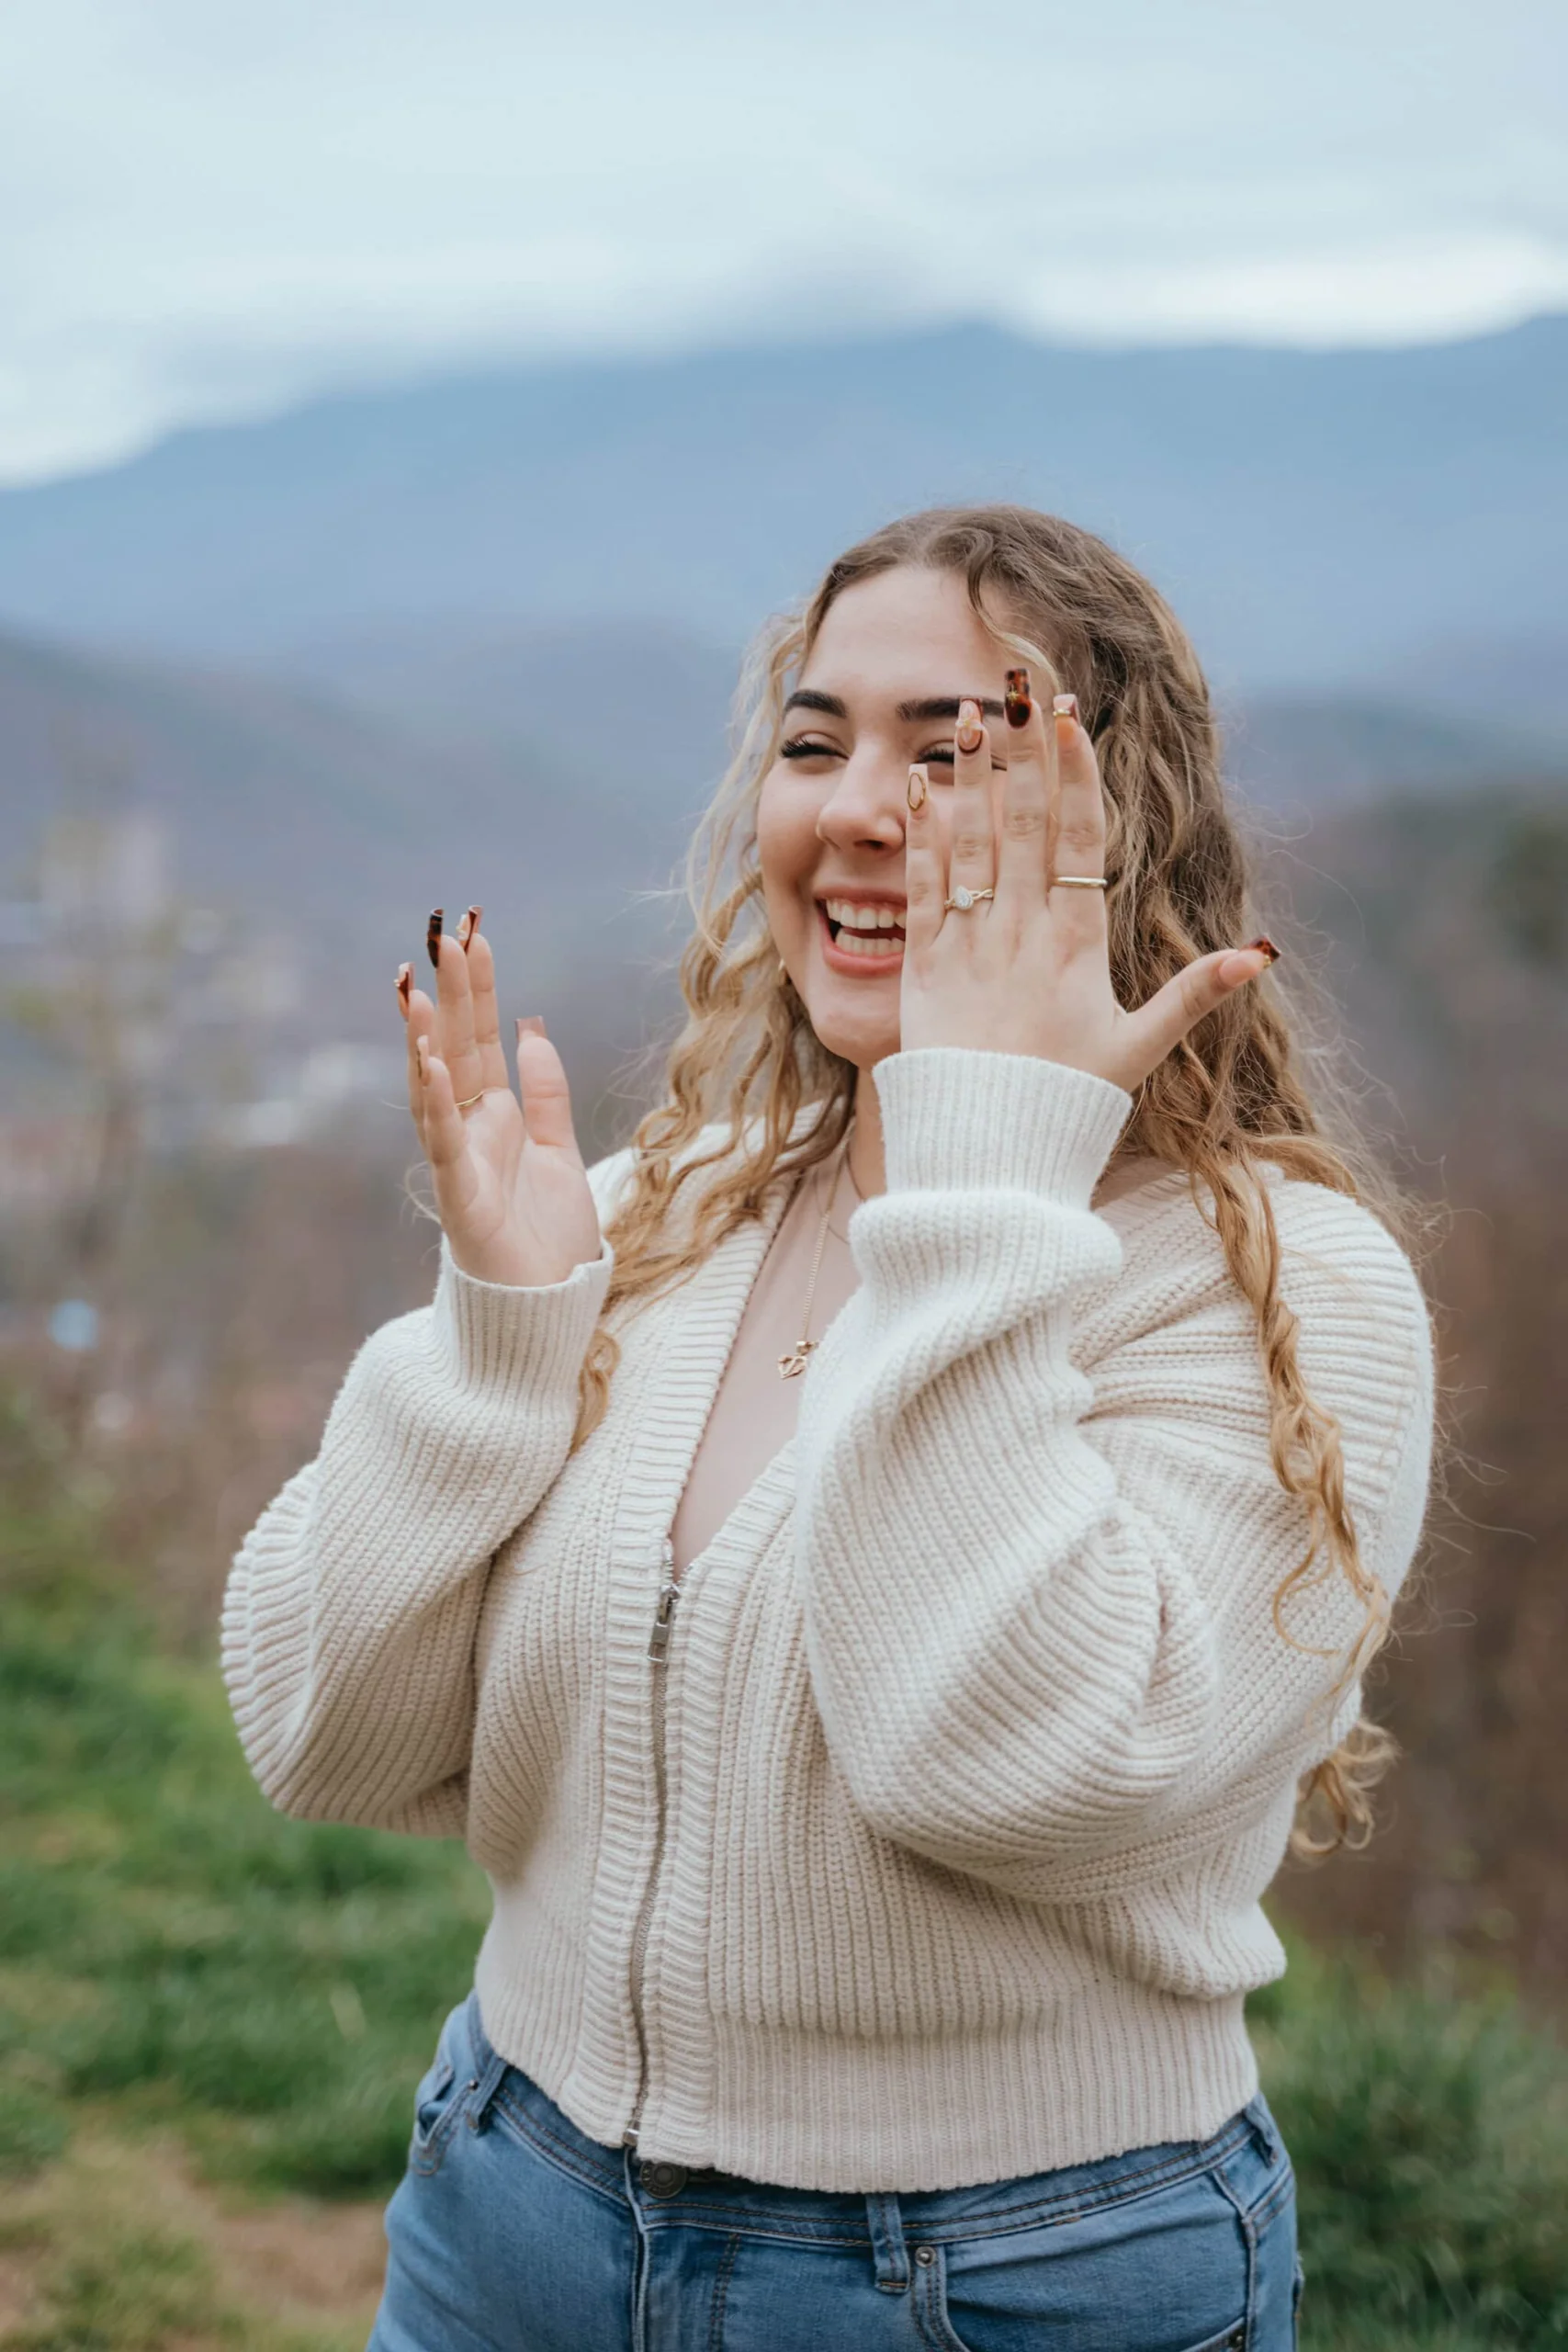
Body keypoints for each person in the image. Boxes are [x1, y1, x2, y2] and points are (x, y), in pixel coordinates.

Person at [222, 506, 1434, 2352]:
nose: (854, 806)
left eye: (950, 750)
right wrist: (499, 1344)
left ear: (1107, 831)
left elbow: (1007, 1765)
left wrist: (975, 1151)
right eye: (813, 741)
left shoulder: (1287, 1291)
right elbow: (316, 1732)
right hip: (507, 2211)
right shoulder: (665, 1204)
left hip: (999, 2280)